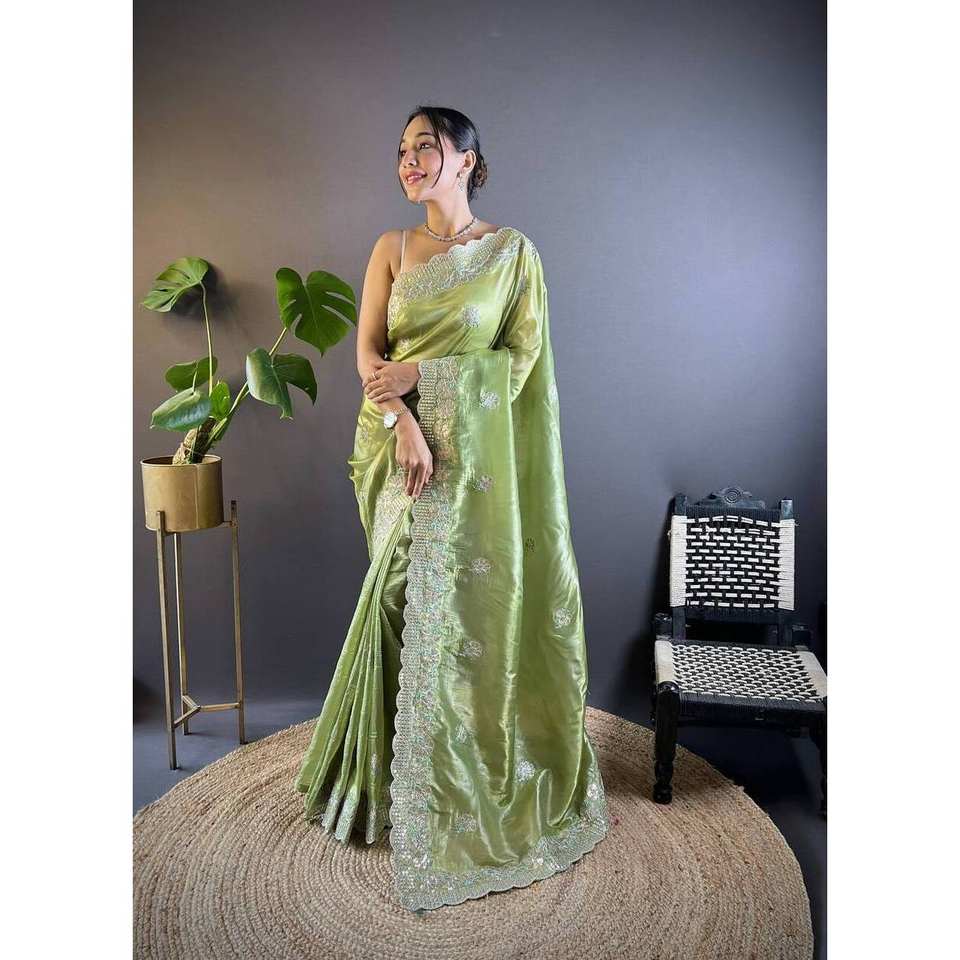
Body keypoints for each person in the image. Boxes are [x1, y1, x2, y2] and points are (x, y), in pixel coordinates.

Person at [294, 105, 608, 913]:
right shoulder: (392, 249)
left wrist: (429, 381)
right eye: (402, 149)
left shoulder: (512, 255)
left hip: (477, 460)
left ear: (466, 160)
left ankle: (449, 774)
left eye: (425, 147)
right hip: (396, 448)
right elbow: (369, 354)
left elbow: (520, 363)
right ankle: (374, 785)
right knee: (396, 601)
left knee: (449, 613)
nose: (408, 161)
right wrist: (404, 420)